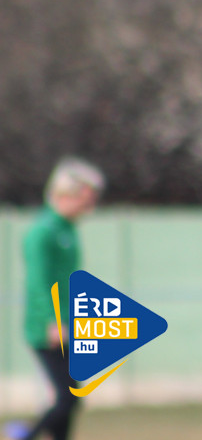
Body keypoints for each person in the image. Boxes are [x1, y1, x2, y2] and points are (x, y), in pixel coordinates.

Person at [21, 157, 105, 440]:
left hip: (69, 322)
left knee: (68, 398)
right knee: (69, 397)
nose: (89, 205)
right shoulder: (42, 232)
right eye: (85, 198)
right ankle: (22, 435)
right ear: (66, 194)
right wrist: (52, 320)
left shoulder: (67, 230)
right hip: (50, 326)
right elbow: (39, 282)